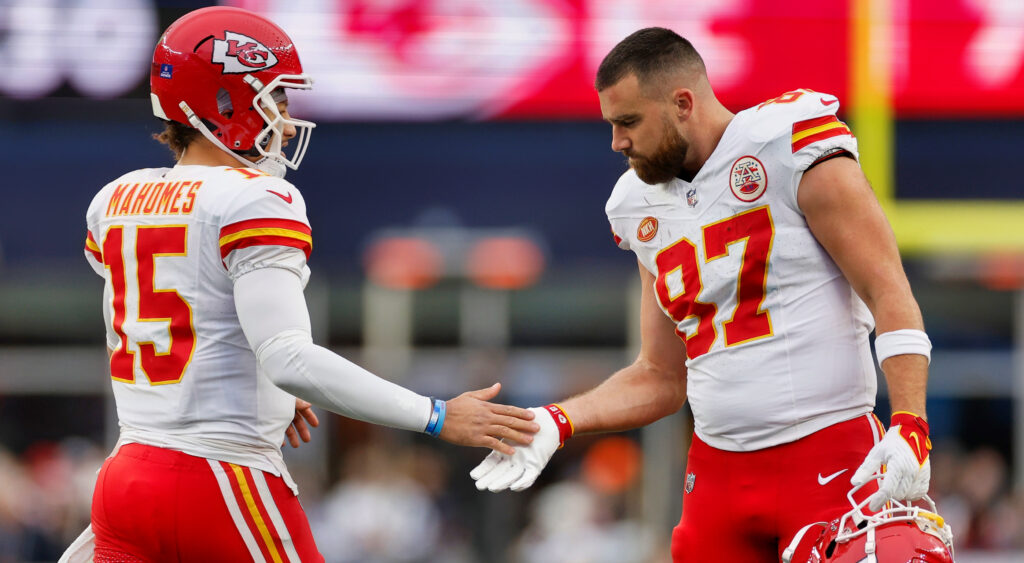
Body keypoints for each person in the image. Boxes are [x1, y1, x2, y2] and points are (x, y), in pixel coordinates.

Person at [65, 6, 538, 562]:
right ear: (223, 104)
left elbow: (181, 314)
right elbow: (287, 356)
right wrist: (435, 415)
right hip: (217, 474)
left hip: (125, 477)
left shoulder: (115, 199)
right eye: (276, 99)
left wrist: (259, 393)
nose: (286, 123)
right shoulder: (255, 198)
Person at [471, 27, 935, 562]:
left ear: (683, 103)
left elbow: (888, 291)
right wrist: (559, 419)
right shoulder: (636, 205)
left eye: (628, 122)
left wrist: (911, 422)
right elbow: (661, 376)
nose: (616, 142)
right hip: (716, 476)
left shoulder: (788, 145)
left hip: (827, 455)